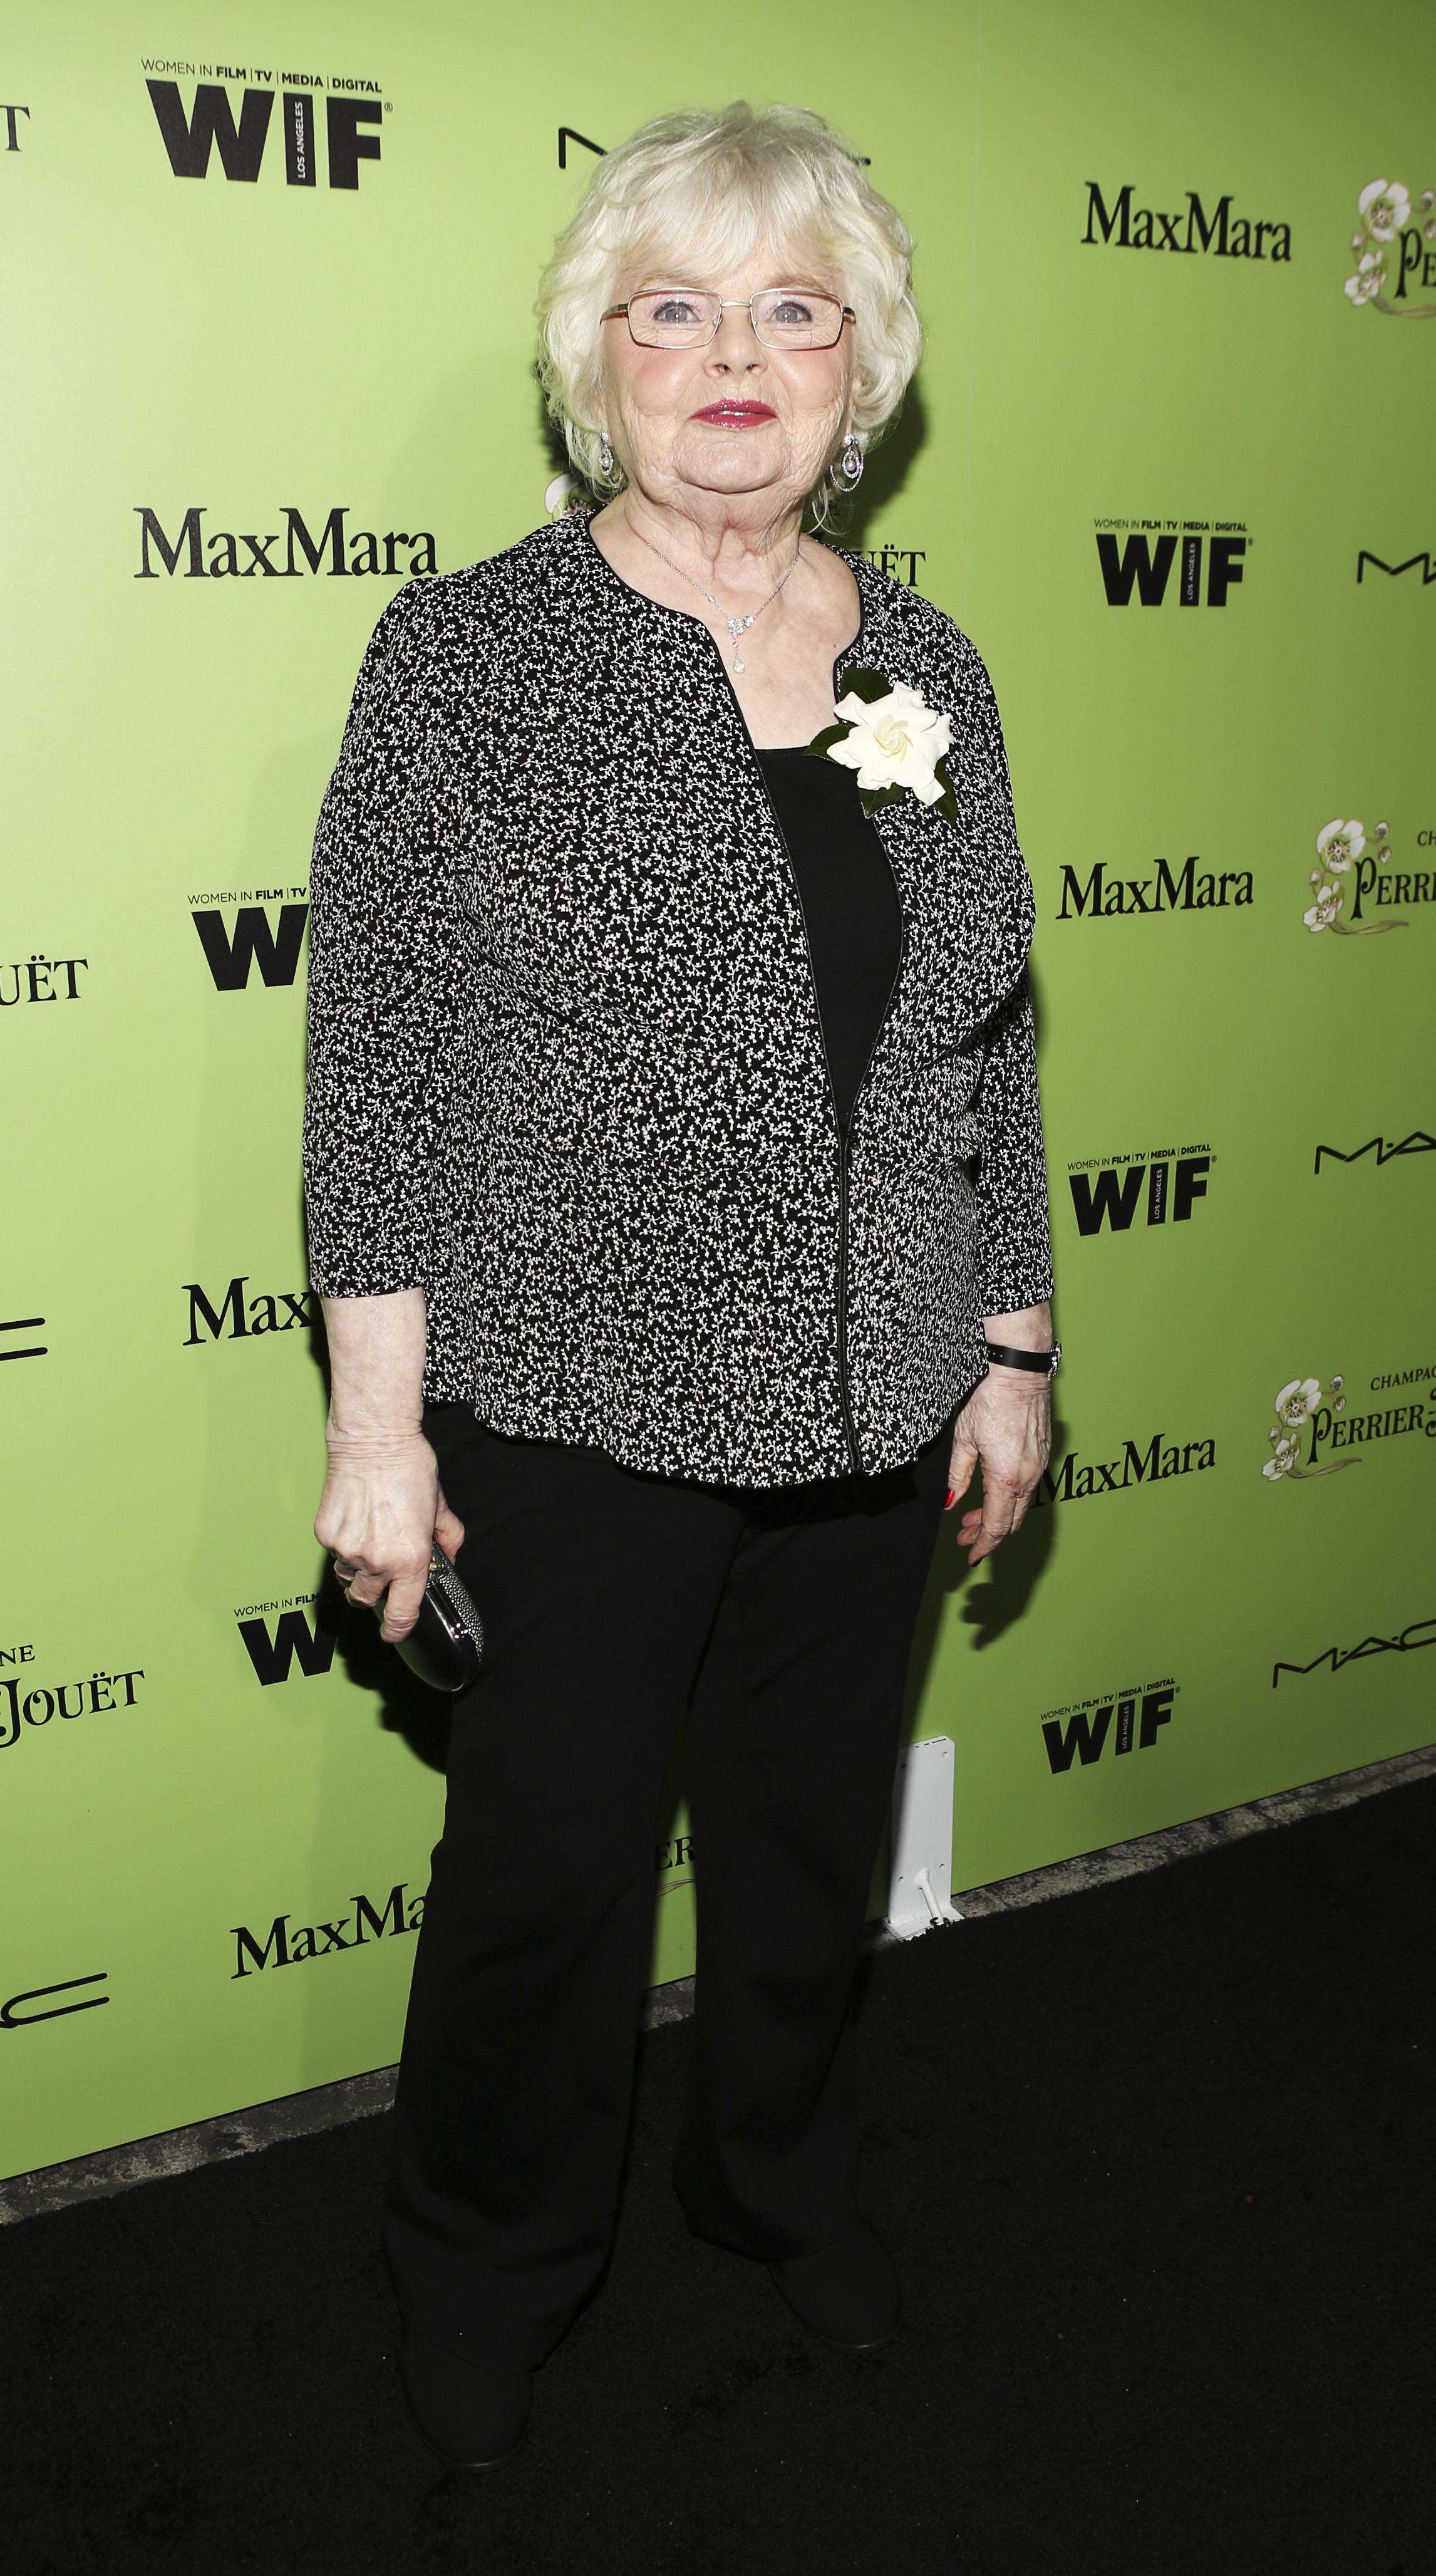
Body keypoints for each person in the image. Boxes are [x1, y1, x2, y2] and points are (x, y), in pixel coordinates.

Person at [302, 99, 1055, 2471]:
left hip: (880, 1388)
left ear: (864, 373)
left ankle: (776, 2180)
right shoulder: (472, 654)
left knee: (810, 1852)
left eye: (794, 312)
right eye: (677, 309)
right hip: (576, 1401)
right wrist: (377, 1436)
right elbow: (381, 1071)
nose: (738, 358)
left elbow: (990, 1036)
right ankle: (489, 2262)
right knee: (544, 1880)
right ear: (597, 362)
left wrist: (1012, 1342)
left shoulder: (925, 664)